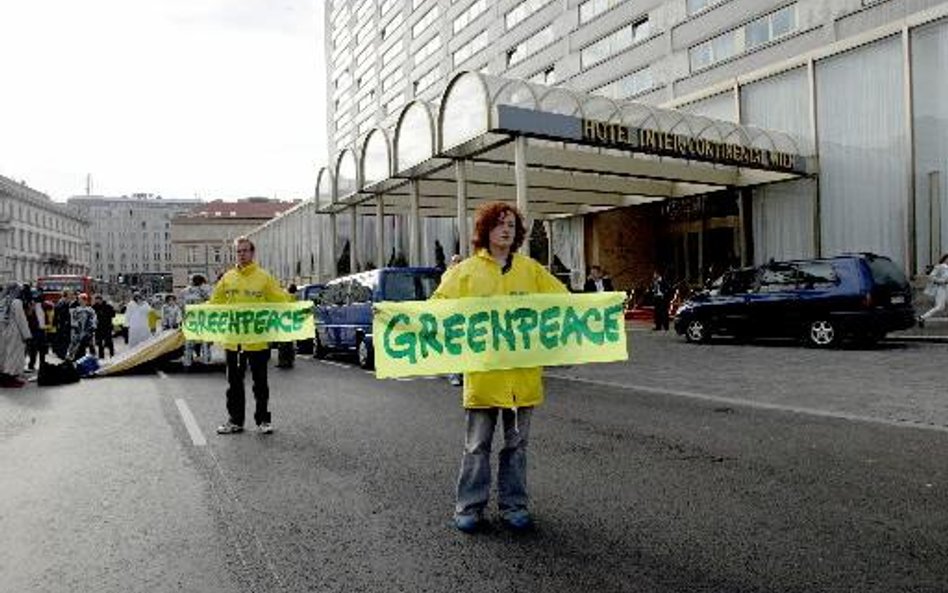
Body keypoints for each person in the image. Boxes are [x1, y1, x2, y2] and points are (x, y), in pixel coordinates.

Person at [432, 202, 567, 533]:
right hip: (484, 378)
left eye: (511, 224)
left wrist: (603, 308)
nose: (506, 229)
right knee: (477, 446)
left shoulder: (530, 269)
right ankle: (469, 507)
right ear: (485, 231)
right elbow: (435, 309)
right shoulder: (464, 272)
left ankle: (514, 505)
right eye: (498, 224)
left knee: (516, 447)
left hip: (522, 380)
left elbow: (564, 302)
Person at [211, 236, 292, 435]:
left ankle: (263, 420)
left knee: (260, 383)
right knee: (234, 384)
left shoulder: (264, 277)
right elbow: (214, 304)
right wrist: (195, 314)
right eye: (238, 251)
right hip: (234, 341)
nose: (242, 254)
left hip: (257, 341)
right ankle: (235, 421)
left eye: (245, 250)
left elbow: (281, 300)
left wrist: (300, 307)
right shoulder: (227, 278)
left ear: (252, 253)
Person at [0, 283, 32, 388]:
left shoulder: (2, 301)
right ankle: (10, 379)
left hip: (3, 332)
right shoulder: (16, 302)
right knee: (14, 356)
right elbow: (21, 320)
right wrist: (27, 335)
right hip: (14, 333)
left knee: (4, 356)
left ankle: (5, 378)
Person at [180, 274, 213, 368]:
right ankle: (206, 360)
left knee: (189, 342)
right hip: (203, 319)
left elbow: (181, 306)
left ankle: (188, 361)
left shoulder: (185, 291)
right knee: (205, 342)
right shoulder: (205, 290)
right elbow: (211, 302)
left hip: (190, 319)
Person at [446, 254, 464, 388]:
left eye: (460, 261)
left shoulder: (467, 275)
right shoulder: (448, 276)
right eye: (455, 261)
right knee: (454, 345)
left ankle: (463, 373)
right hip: (452, 315)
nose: (458, 263)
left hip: (465, 314)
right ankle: (454, 375)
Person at [22, 286, 48, 372]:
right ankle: (31, 365)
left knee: (43, 348)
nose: (38, 295)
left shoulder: (43, 304)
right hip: (33, 329)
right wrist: (31, 307)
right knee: (33, 348)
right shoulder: (29, 304)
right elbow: (27, 315)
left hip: (42, 328)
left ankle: (43, 365)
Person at [919, 253, 948, 328]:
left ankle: (922, 317)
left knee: (941, 307)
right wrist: (942, 281)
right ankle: (922, 317)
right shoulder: (940, 267)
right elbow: (931, 277)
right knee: (939, 307)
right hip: (942, 289)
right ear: (945, 259)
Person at [66, 293, 97, 361]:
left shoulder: (90, 310)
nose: (79, 301)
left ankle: (93, 360)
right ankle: (71, 359)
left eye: (80, 299)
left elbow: (94, 320)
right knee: (74, 346)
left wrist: (91, 328)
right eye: (79, 299)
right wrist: (75, 327)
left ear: (84, 300)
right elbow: (73, 320)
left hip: (87, 332)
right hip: (78, 332)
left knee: (90, 345)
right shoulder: (76, 310)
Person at [276, 283, 298, 369]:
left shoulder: (286, 296)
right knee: (289, 343)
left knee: (282, 344)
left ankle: (282, 361)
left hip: (284, 322)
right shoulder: (295, 298)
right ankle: (290, 361)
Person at [52, 289, 77, 359]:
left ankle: (61, 353)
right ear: (66, 296)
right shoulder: (62, 303)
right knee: (63, 340)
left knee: (64, 340)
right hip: (63, 326)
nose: (72, 296)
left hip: (64, 326)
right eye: (70, 295)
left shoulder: (65, 303)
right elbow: (58, 314)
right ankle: (61, 354)